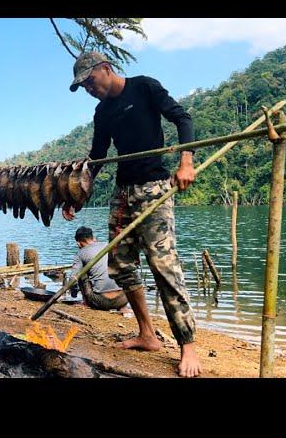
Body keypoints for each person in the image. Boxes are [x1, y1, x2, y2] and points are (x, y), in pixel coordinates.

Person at [64, 51, 202, 378]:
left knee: (163, 265)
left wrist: (186, 162)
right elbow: (97, 158)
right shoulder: (102, 112)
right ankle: (147, 334)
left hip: (154, 187)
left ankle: (188, 345)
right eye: (83, 86)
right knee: (121, 265)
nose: (88, 89)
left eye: (89, 81)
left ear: (106, 69)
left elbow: (183, 119)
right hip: (122, 195)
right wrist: (77, 195)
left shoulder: (144, 87)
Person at [68, 226, 129, 312]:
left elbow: (72, 279)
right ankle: (122, 307)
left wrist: (73, 294)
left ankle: (85, 302)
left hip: (102, 302)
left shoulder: (80, 253)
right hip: (123, 299)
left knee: (81, 273)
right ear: (93, 238)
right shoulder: (108, 245)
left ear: (78, 243)